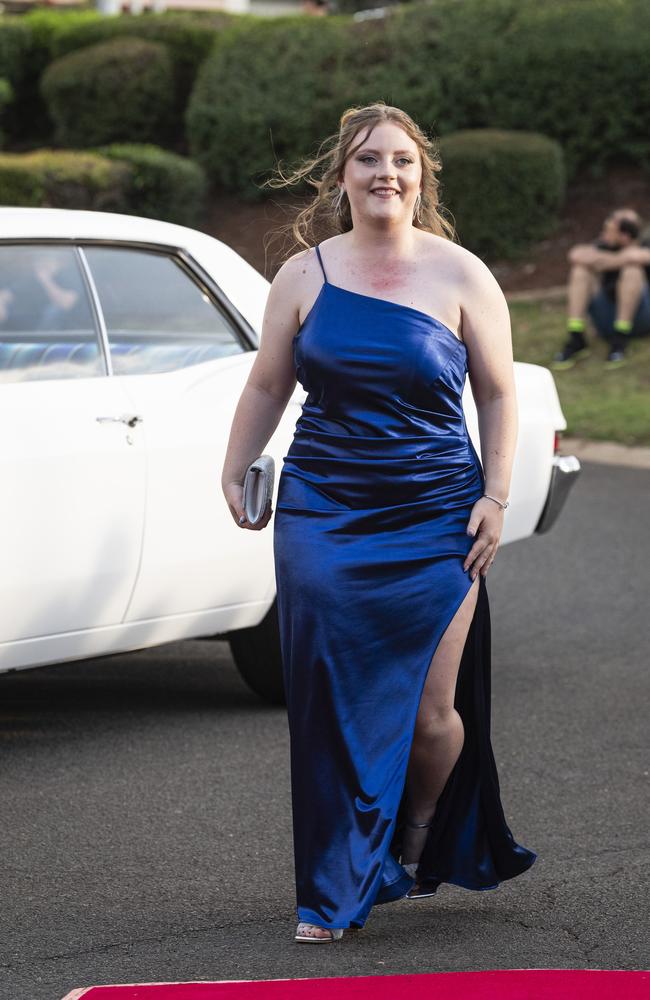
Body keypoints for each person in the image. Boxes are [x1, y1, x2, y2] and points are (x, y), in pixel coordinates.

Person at [221, 102, 536, 944]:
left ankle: (414, 835)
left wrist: (495, 497)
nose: (384, 173)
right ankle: (330, 891)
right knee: (324, 703)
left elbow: (500, 395)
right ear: (341, 178)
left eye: (400, 159)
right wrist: (234, 464)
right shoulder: (304, 275)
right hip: (324, 510)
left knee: (434, 715)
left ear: (422, 174)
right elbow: (266, 385)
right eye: (367, 160)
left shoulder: (463, 275)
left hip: (438, 513)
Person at [552, 208, 650, 370]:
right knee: (580, 271)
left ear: (625, 234)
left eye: (611, 229)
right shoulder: (604, 245)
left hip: (641, 318)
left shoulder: (645, 244)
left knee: (632, 270)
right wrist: (618, 258)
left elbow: (638, 256)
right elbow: (576, 255)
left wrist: (602, 261)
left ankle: (620, 338)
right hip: (606, 319)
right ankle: (576, 336)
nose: (605, 232)